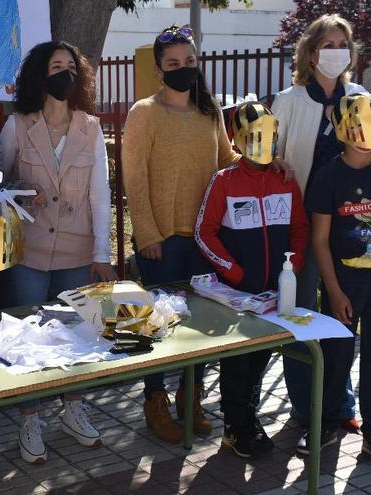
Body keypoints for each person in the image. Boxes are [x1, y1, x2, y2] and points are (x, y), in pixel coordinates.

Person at [121, 25, 239, 444]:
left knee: (201, 323)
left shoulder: (211, 112)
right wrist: (147, 234)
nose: (183, 69)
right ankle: (155, 401)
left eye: (189, 62)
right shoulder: (144, 113)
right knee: (156, 325)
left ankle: (191, 396)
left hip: (206, 238)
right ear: (159, 69)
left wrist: (264, 162)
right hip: (162, 240)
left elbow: (226, 160)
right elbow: (133, 178)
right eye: (174, 63)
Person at [0, 40, 114, 464]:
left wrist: (102, 252)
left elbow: (101, 195)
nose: (63, 73)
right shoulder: (17, 126)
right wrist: (26, 193)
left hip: (77, 250)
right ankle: (31, 418)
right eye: (54, 66)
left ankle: (73, 409)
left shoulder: (91, 126)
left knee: (76, 333)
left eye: (69, 66)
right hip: (29, 250)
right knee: (27, 333)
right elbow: (0, 185)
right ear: (38, 75)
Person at [296, 93, 371, 471]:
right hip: (343, 285)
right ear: (343, 130)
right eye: (357, 124)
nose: (366, 132)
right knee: (336, 359)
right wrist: (332, 290)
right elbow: (318, 239)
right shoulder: (328, 176)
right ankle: (327, 424)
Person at [195, 102, 309, 458]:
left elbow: (300, 228)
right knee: (236, 360)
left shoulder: (284, 179)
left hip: (274, 290)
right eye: (254, 135)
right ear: (238, 138)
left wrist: (294, 265)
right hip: (237, 295)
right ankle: (234, 424)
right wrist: (235, 273)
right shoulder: (224, 181)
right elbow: (204, 232)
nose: (263, 142)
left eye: (268, 134)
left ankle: (248, 416)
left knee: (260, 357)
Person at [272, 14, 366, 431]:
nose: (336, 52)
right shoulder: (289, 99)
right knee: (303, 316)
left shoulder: (360, 96)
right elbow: (271, 153)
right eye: (328, 45)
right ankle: (305, 407)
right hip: (304, 225)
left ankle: (341, 405)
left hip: (349, 225)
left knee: (343, 314)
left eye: (342, 44)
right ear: (310, 54)